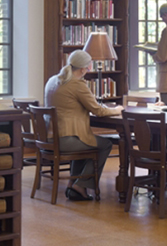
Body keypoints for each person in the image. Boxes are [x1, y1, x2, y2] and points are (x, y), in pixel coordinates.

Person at [43, 49, 123, 201]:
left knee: (86, 143)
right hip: (66, 139)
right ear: (84, 68)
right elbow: (98, 110)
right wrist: (117, 109)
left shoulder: (53, 79)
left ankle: (74, 184)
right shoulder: (76, 84)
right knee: (104, 145)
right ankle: (80, 186)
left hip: (50, 137)